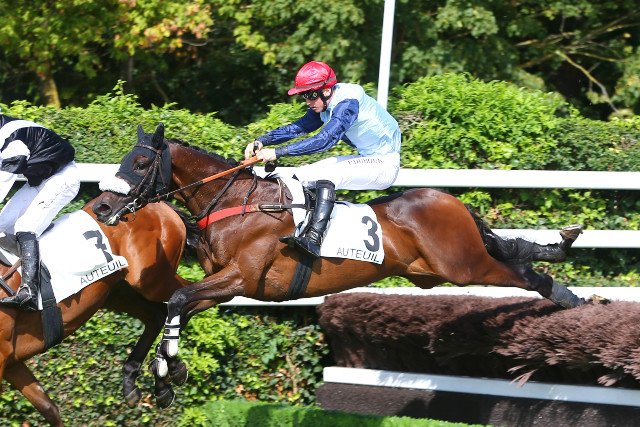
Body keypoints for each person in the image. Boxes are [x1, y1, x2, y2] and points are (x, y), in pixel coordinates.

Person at [245, 60, 401, 258]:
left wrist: (277, 152)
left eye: (311, 95)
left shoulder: (348, 105)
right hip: (368, 158)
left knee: (326, 176)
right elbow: (299, 127)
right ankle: (301, 228)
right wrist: (263, 140)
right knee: (303, 174)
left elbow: (325, 140)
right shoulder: (325, 102)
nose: (308, 102)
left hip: (384, 164)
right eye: (304, 96)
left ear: (326, 90)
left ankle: (314, 240)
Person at [0, 112, 80, 311]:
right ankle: (27, 270)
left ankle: (29, 291)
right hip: (39, 181)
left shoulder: (11, 142)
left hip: (63, 178)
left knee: (25, 226)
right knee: (1, 226)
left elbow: (3, 182)